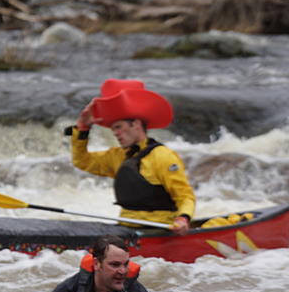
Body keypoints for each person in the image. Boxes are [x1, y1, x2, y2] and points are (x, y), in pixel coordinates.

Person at [66, 79, 195, 234]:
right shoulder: (117, 156)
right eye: (113, 129)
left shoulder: (163, 156)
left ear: (136, 124)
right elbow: (81, 161)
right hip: (126, 227)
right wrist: (82, 128)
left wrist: (183, 218)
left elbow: (185, 196)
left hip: (160, 228)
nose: (116, 133)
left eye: (119, 127)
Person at [30, 235, 154, 292]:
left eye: (126, 264)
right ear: (96, 264)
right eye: (115, 265)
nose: (122, 271)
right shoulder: (67, 290)